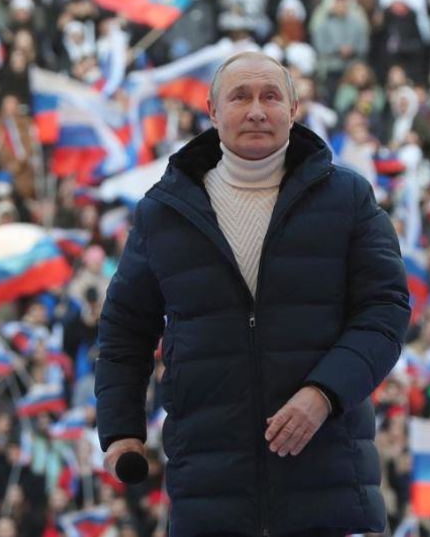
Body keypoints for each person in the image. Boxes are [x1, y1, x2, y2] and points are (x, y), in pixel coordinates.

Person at [95, 51, 410, 536]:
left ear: (294, 108)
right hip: (209, 491)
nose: (257, 110)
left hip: (326, 482)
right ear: (213, 111)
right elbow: (124, 330)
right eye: (240, 97)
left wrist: (323, 393)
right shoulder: (163, 212)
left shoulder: (349, 197)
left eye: (270, 96)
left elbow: (385, 311)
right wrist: (122, 431)